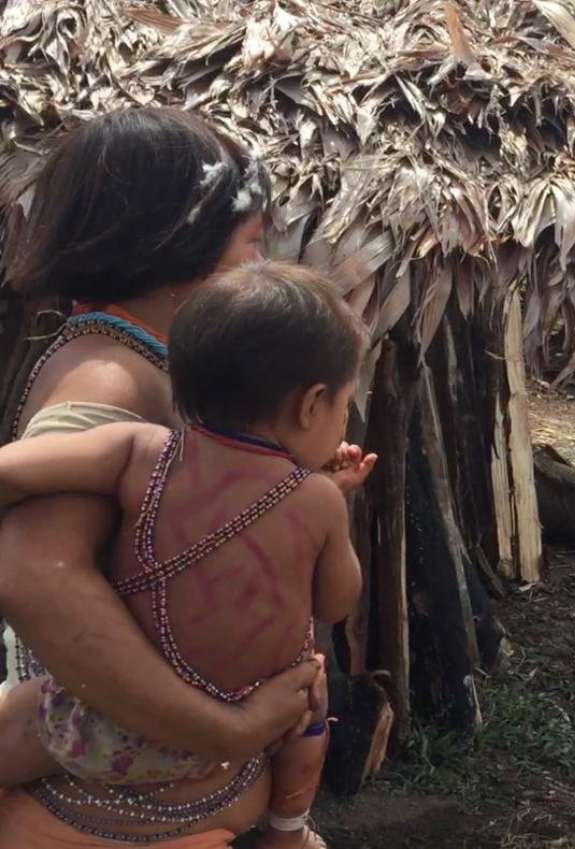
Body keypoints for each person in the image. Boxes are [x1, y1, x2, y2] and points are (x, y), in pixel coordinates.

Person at [0, 107, 351, 847]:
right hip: (112, 810)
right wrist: (227, 724)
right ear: (176, 243)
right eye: (251, 245)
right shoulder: (107, 385)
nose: (257, 268)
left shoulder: (143, 362)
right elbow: (38, 575)